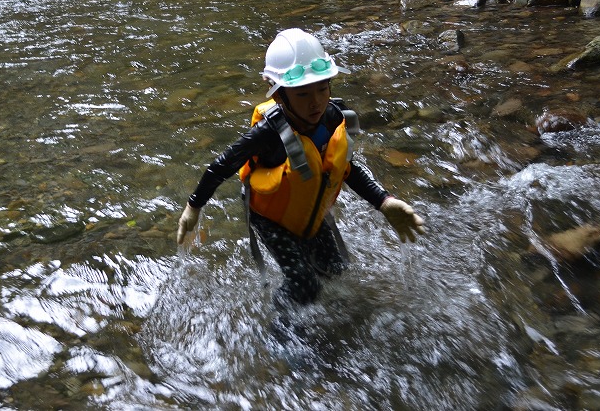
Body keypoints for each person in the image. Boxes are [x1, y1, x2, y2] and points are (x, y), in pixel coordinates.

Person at [176, 28, 425, 310]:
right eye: (303, 93)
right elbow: (221, 166)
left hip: (309, 212)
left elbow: (345, 169)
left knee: (337, 268)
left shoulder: (331, 118)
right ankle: (281, 332)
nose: (316, 101)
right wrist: (193, 208)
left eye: (322, 88)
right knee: (304, 284)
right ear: (280, 94)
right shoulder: (268, 133)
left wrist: (384, 201)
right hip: (272, 220)